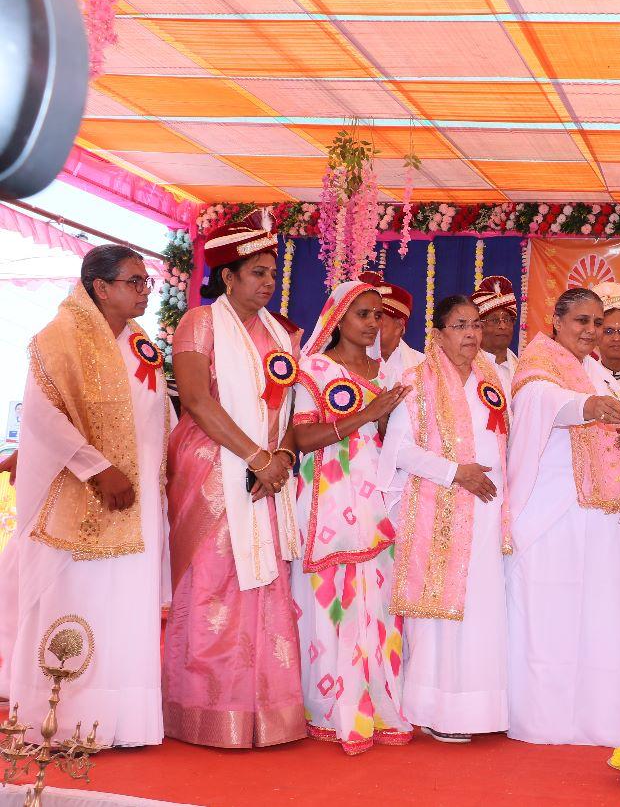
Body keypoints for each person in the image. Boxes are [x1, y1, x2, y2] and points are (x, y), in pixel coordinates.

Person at [0, 246, 171, 746]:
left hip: (139, 500)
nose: (144, 291)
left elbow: (159, 416)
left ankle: (123, 723)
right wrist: (99, 470)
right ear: (101, 287)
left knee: (127, 607)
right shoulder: (61, 337)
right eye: (134, 282)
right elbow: (42, 417)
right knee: (75, 598)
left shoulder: (140, 343)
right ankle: (60, 719)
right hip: (83, 497)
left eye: (146, 283)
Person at [164, 212, 307, 748]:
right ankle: (204, 711)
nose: (268, 283)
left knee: (265, 585)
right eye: (257, 273)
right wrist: (254, 457)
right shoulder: (199, 323)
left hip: (267, 473)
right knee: (215, 583)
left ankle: (265, 715)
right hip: (215, 470)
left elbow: (290, 411)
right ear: (228, 277)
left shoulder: (282, 334)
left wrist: (282, 459)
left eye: (272, 273)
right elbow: (197, 401)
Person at [505, 288, 620, 747]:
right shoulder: (539, 361)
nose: (591, 331)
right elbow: (541, 401)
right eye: (582, 321)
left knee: (604, 615)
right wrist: (585, 407)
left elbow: (614, 424)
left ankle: (600, 720)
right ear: (557, 320)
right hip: (554, 513)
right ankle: (545, 720)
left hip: (599, 515)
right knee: (552, 616)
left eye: (597, 323)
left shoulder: (591, 371)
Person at [378, 295, 512, 743]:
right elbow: (398, 450)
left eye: (476, 324)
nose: (472, 333)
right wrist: (456, 473)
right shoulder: (416, 380)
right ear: (438, 333)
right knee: (442, 616)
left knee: (483, 609)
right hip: (439, 506)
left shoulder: (492, 379)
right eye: (460, 325)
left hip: (488, 511)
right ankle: (436, 709)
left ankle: (479, 707)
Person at [290, 280, 412, 754]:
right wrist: (368, 414)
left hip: (374, 504)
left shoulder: (382, 371)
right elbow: (303, 439)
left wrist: (385, 420)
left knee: (376, 600)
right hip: (325, 499)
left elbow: (388, 439)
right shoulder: (314, 370)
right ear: (339, 317)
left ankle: (377, 704)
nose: (372, 324)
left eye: (377, 315)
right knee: (326, 603)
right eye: (363, 314)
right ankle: (325, 707)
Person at [358, 271, 423, 382]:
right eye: (365, 316)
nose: (370, 323)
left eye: (378, 316)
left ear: (399, 325)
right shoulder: (351, 360)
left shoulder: (422, 365)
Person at [473, 276, 519, 394]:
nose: (503, 326)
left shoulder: (522, 369)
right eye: (494, 320)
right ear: (479, 326)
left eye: (507, 320)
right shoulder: (467, 367)